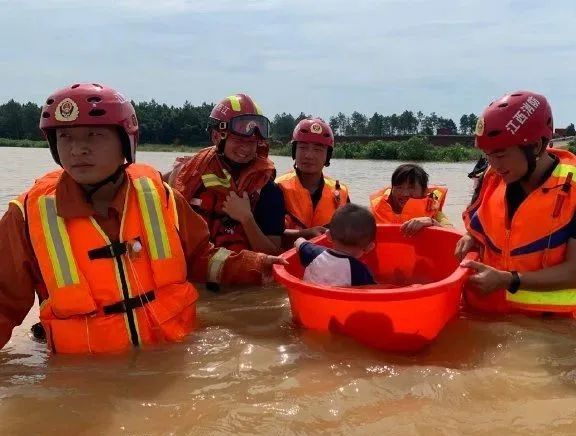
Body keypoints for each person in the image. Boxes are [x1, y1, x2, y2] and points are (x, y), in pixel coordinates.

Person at [0, 83, 284, 354]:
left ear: (125, 142)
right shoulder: (26, 216)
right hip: (83, 379)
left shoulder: (159, 194)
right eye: (65, 137)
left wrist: (255, 266)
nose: (77, 149)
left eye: (94, 136)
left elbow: (200, 257)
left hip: (171, 362)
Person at [456, 90, 576, 319]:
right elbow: (481, 223)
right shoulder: (493, 175)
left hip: (550, 327)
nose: (494, 165)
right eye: (488, 155)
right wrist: (471, 237)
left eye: (501, 154)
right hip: (487, 315)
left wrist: (509, 280)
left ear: (536, 146)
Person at [167, 93, 285, 256]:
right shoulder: (188, 172)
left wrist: (246, 218)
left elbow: (273, 255)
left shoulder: (268, 190)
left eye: (252, 142)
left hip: (240, 277)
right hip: (194, 273)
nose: (246, 149)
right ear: (217, 137)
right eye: (238, 140)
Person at [276, 118, 349, 244]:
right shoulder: (277, 187)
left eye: (317, 150)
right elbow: (270, 233)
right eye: (303, 147)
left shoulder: (341, 191)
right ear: (294, 151)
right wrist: (307, 234)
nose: (309, 155)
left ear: (328, 155)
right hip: (287, 259)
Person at [295, 204, 376, 287]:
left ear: (328, 236)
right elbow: (371, 293)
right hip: (336, 300)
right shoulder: (360, 271)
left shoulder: (314, 253)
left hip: (306, 298)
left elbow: (298, 241)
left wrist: (301, 241)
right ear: (369, 247)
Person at [369, 164, 453, 236]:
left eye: (411, 188)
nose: (405, 193)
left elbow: (454, 236)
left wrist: (432, 223)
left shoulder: (435, 213)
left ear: (424, 191)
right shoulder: (375, 210)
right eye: (399, 187)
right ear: (392, 190)